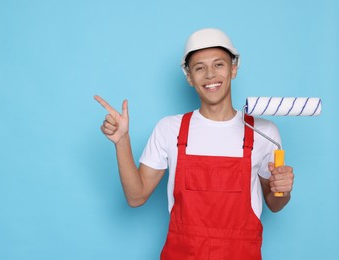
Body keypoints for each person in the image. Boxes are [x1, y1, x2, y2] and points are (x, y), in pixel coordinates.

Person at [94, 28, 294, 260]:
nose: (210, 74)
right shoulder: (170, 129)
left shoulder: (263, 132)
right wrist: (122, 141)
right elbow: (135, 197)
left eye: (219, 64)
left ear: (234, 68)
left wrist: (283, 190)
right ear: (189, 77)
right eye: (199, 68)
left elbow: (275, 204)